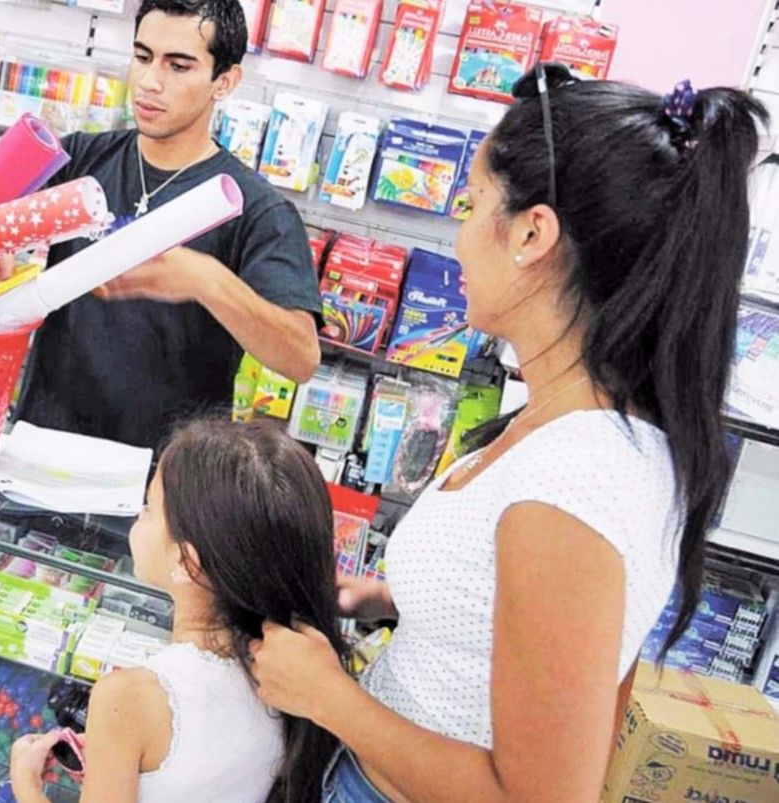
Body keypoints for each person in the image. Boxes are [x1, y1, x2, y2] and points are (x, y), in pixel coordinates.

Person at [247, 66, 769, 803]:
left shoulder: (574, 484)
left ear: (532, 232)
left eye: (471, 204)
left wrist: (329, 696)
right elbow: (548, 641)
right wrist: (402, 599)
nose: (458, 237)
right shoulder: (581, 424)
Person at [2, 0, 322, 449]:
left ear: (224, 82)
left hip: (164, 478)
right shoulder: (78, 159)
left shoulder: (257, 209)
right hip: (40, 450)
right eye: (142, 56)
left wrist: (206, 280)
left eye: (179, 66)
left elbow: (301, 357)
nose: (149, 82)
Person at [7, 417, 346, 802]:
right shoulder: (297, 672)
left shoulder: (128, 698)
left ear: (187, 563)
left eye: (150, 507)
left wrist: (26, 784)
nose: (138, 513)